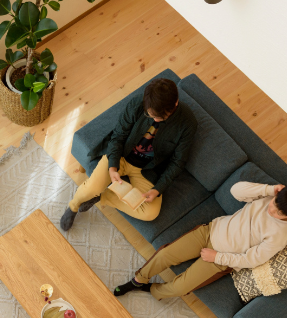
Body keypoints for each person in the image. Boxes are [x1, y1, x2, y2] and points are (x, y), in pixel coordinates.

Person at [113, 182, 287, 300]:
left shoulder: (281, 235)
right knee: (165, 254)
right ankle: (137, 280)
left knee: (179, 288)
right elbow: (236, 191)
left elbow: (252, 260)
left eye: (279, 212)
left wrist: (217, 257)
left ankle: (152, 290)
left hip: (221, 260)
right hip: (209, 232)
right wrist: (269, 190)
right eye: (274, 203)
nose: (271, 209)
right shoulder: (268, 195)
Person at [60, 78, 198, 231]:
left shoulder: (187, 124)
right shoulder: (138, 104)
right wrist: (113, 166)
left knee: (151, 212)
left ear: (175, 103)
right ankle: (73, 206)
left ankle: (103, 197)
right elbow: (118, 135)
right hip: (122, 156)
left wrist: (158, 189)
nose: (155, 120)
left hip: (148, 170)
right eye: (151, 115)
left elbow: (178, 162)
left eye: (159, 117)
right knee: (92, 187)